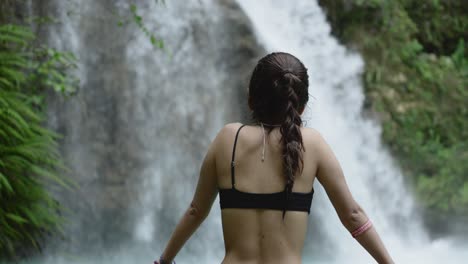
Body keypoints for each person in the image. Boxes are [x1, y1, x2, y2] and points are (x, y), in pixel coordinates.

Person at [154, 52, 394, 264]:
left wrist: (164, 261)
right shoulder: (312, 143)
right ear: (301, 107)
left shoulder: (227, 138)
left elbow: (196, 210)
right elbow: (352, 216)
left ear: (251, 99)